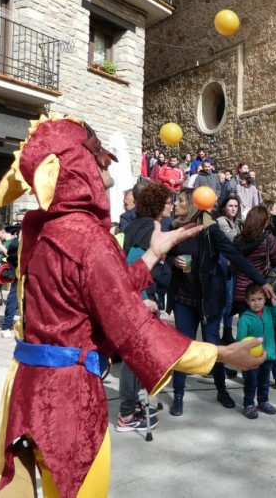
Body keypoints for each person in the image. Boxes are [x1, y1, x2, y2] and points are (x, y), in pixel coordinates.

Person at [0, 116, 265, 498]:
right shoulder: (87, 238)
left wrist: (153, 253)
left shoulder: (45, 229)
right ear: (77, 166)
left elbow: (103, 298)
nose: (107, 163)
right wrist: (218, 353)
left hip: (24, 389)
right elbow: (133, 328)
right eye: (98, 155)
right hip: (68, 400)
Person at [167, 188, 276, 418]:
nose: (176, 204)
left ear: (193, 206)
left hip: (209, 300)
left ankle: (221, 390)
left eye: (181, 201)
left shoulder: (211, 231)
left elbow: (236, 257)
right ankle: (178, 394)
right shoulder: (174, 228)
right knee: (182, 347)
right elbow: (166, 257)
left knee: (213, 346)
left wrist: (262, 281)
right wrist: (174, 262)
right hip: (183, 299)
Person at [116, 183, 174, 433]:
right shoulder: (147, 227)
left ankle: (131, 406)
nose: (170, 205)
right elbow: (132, 266)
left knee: (138, 357)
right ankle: (126, 415)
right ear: (158, 205)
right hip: (139, 303)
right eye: (167, 201)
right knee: (134, 359)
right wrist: (142, 300)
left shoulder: (139, 224)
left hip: (140, 299)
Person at [232, 205, 276, 389]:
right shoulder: (268, 240)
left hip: (243, 293)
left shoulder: (237, 240)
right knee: (273, 334)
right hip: (263, 293)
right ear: (265, 222)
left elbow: (233, 266)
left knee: (246, 334)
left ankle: (249, 372)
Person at [236, 283, 276, 419]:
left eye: (259, 299)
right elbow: (241, 340)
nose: (256, 303)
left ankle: (263, 402)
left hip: (267, 356)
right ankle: (248, 405)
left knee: (264, 381)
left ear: (265, 299)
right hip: (252, 359)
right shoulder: (245, 319)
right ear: (247, 301)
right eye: (252, 300)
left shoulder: (269, 313)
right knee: (251, 382)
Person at [216, 194, 242, 344]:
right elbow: (234, 239)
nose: (233, 209)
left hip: (235, 266)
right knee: (226, 300)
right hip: (224, 265)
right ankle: (218, 331)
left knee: (231, 301)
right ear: (224, 208)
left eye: (235, 206)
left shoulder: (238, 222)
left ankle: (227, 330)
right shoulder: (221, 222)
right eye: (230, 206)